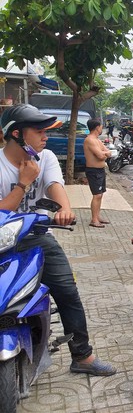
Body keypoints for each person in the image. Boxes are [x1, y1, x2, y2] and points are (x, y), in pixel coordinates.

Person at [0, 104, 116, 376]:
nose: (45, 137)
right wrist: (23, 184)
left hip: (37, 238)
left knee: (66, 290)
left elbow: (55, 186)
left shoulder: (46, 157)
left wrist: (65, 209)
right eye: (39, 131)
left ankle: (82, 356)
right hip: (2, 242)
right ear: (16, 134)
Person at [84, 118, 112, 228]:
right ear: (97, 127)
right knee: (97, 195)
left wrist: (104, 153)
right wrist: (105, 153)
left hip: (100, 170)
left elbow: (108, 152)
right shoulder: (90, 140)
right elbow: (101, 156)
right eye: (101, 126)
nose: (102, 128)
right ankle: (94, 219)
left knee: (100, 195)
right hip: (93, 171)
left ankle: (97, 216)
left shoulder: (97, 140)